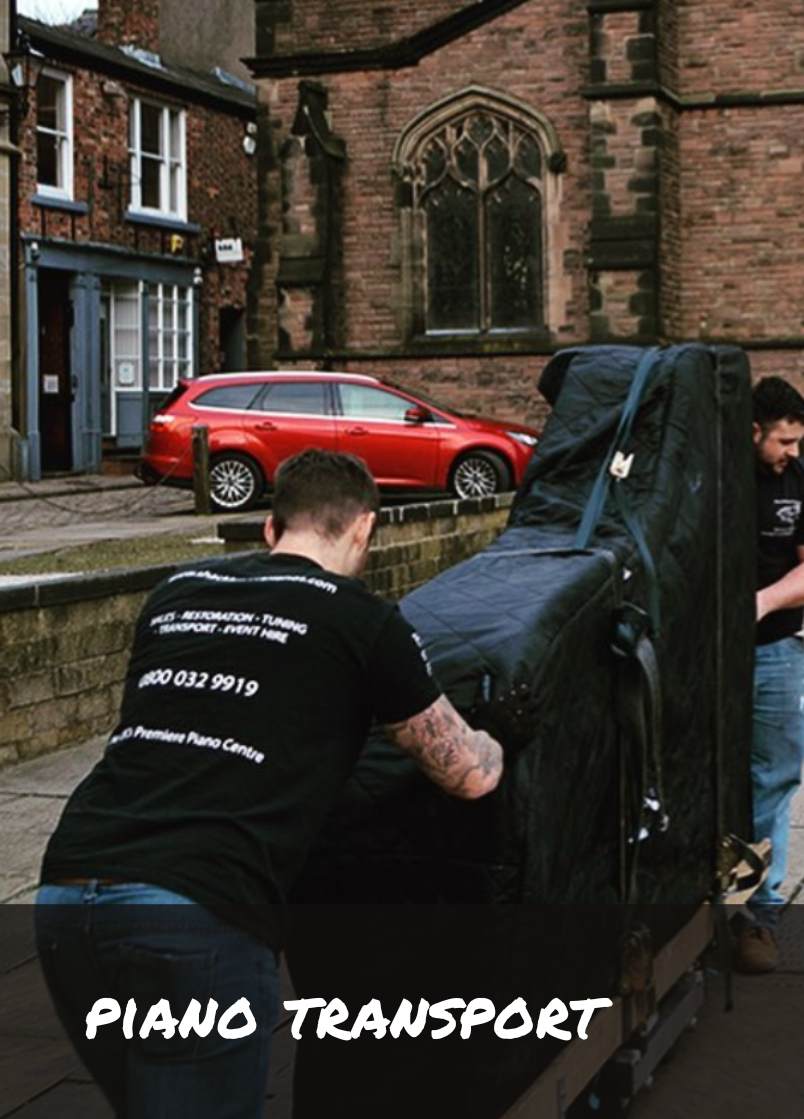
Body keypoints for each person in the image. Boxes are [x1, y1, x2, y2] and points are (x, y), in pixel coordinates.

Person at [34, 447, 506, 1119]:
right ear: (365, 528)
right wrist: (499, 736)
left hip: (67, 897)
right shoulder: (364, 620)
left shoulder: (177, 594)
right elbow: (466, 773)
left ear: (269, 528)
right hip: (198, 912)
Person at [737, 375, 804, 975]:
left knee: (772, 779)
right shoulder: (715, 476)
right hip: (703, 660)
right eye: (784, 440)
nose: (793, 452)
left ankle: (757, 917)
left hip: (775, 652)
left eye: (799, 441)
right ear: (753, 431)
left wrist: (763, 602)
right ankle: (705, 907)